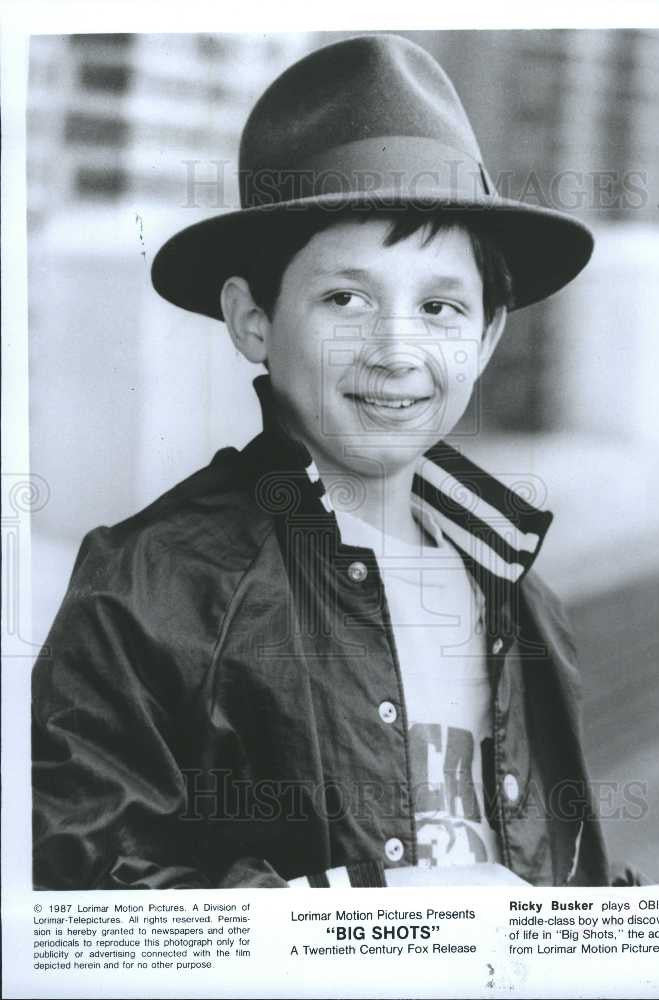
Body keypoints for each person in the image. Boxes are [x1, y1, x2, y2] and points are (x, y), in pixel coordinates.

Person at [32, 33, 622, 890]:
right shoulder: (148, 590)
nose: (396, 350)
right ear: (253, 321)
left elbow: (554, 872)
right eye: (345, 298)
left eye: (441, 306)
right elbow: (84, 896)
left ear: (488, 336)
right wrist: (366, 920)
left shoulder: (516, 590)